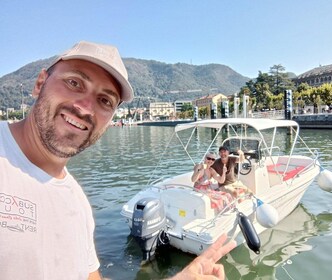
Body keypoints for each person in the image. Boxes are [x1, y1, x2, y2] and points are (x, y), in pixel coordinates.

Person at [0, 41, 236, 280]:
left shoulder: (77, 204)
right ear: (40, 83)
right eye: (74, 83)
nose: (85, 108)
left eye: (105, 101)